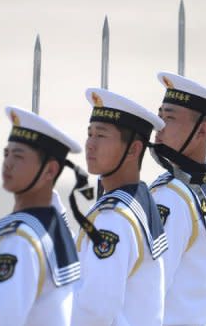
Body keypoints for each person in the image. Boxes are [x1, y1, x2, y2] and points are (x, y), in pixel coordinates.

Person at [149, 71, 206, 326]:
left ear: (202, 131)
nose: (159, 126)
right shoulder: (203, 181)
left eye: (169, 118)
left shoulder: (172, 197)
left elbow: (152, 287)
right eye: (159, 116)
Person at [72, 88, 167, 326]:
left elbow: (95, 311)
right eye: (89, 134)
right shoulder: (138, 200)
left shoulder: (113, 218)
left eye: (101, 135)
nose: (90, 145)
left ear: (134, 149)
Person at [0, 106, 83, 326]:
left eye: (18, 156)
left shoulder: (19, 240)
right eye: (6, 154)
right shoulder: (50, 226)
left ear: (50, 171)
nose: (7, 163)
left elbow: (0, 320)